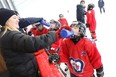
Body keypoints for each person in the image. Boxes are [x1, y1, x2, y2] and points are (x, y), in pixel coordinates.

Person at [0, 8, 72, 77]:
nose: (18, 20)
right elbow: (33, 43)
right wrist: (57, 34)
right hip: (26, 73)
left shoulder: (7, 34)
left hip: (24, 70)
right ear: (7, 21)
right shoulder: (11, 36)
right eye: (14, 18)